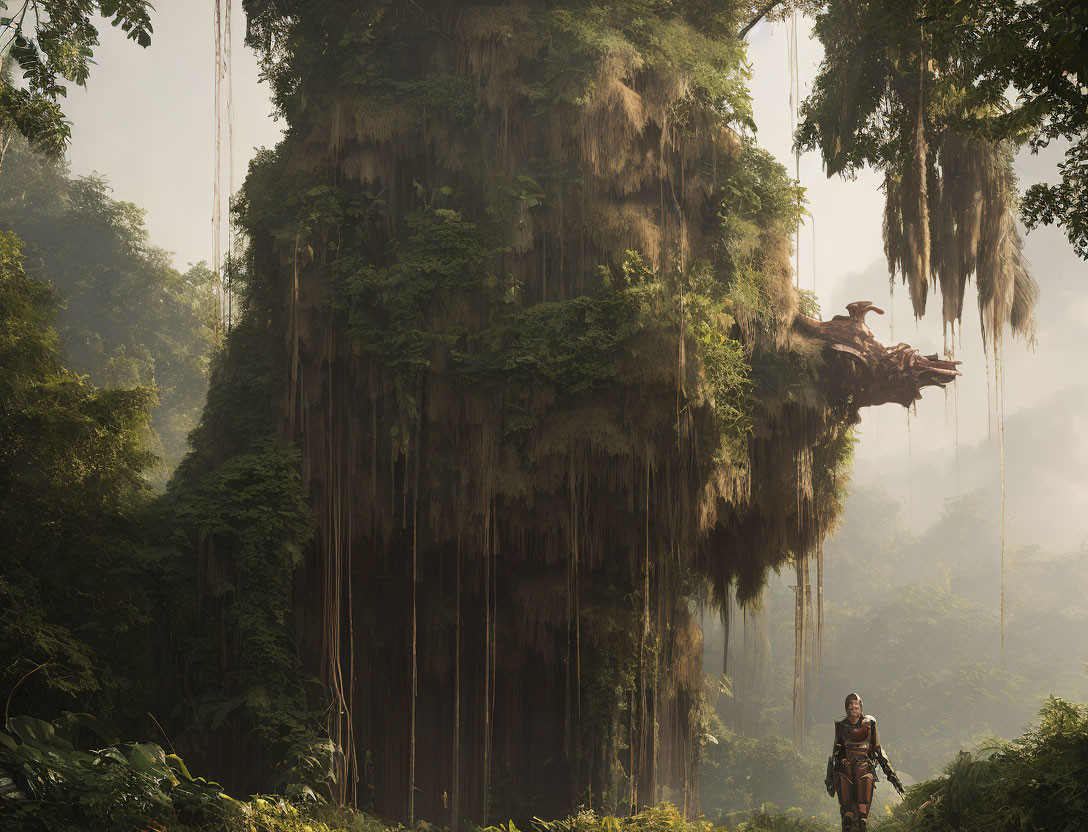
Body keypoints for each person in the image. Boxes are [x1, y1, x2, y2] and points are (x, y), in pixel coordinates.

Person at [824, 692, 904, 832]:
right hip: (845, 770)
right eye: (850, 704)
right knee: (847, 817)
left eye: (856, 704)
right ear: (846, 707)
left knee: (862, 817)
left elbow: (877, 749)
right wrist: (830, 777)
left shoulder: (869, 723)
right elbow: (837, 750)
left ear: (861, 707)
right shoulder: (841, 725)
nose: (853, 706)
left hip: (864, 769)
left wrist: (891, 775)